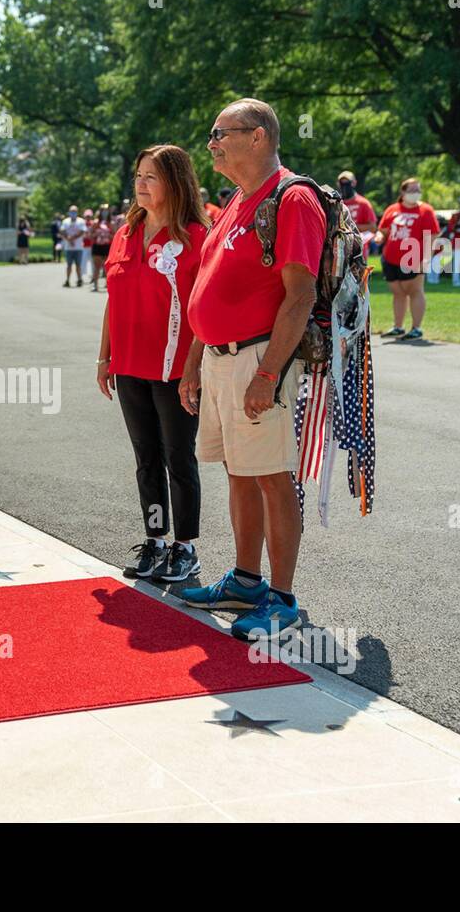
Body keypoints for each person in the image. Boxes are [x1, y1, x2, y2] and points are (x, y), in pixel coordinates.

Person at [176, 98, 324, 641]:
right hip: (219, 361)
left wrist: (267, 375)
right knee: (239, 471)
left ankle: (282, 601)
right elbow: (204, 289)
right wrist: (194, 361)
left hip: (259, 360)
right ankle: (245, 580)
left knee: (270, 475)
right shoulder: (238, 200)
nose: (211, 142)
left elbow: (300, 295)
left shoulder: (293, 198)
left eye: (222, 132)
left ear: (257, 136)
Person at [97, 145, 209, 584]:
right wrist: (104, 356)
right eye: (138, 176)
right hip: (129, 365)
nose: (140, 184)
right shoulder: (126, 233)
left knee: (178, 457)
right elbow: (114, 298)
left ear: (175, 183)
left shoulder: (196, 237)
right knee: (146, 458)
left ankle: (186, 547)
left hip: (175, 369)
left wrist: (195, 366)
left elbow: (203, 309)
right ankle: (156, 538)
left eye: (151, 177)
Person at [374, 178, 439, 339]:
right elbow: (383, 230)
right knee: (398, 293)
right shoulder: (392, 209)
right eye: (411, 190)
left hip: (413, 259)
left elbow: (432, 236)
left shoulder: (426, 211)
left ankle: (416, 328)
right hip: (391, 258)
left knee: (415, 292)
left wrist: (426, 259)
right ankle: (398, 327)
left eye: (418, 190)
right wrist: (379, 237)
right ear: (402, 192)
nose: (415, 193)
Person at [337, 171, 377, 237]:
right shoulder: (336, 203)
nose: (344, 187)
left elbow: (373, 227)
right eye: (342, 184)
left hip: (360, 241)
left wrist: (352, 227)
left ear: (354, 183)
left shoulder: (363, 203)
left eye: (347, 183)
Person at [60, 205, 86, 287]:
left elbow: (82, 231)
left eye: (74, 211)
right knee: (69, 265)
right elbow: (62, 231)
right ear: (69, 212)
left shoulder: (81, 221)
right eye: (71, 211)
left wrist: (73, 238)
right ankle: (67, 280)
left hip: (78, 247)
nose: (73, 213)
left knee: (78, 265)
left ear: (77, 212)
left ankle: (79, 279)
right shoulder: (65, 221)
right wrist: (68, 239)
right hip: (68, 247)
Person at [90, 204, 113, 291]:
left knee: (108, 267)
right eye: (103, 210)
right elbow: (90, 235)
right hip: (97, 246)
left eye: (106, 210)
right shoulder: (96, 222)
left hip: (107, 246)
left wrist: (107, 234)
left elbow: (115, 235)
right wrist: (97, 233)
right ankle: (95, 285)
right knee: (97, 267)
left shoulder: (111, 223)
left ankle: (108, 285)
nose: (105, 212)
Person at [80, 208, 95, 286]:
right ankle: (81, 277)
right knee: (83, 262)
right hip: (84, 245)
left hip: (91, 245)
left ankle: (93, 277)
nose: (88, 217)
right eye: (87, 216)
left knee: (92, 262)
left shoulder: (93, 223)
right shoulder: (82, 223)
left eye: (89, 216)